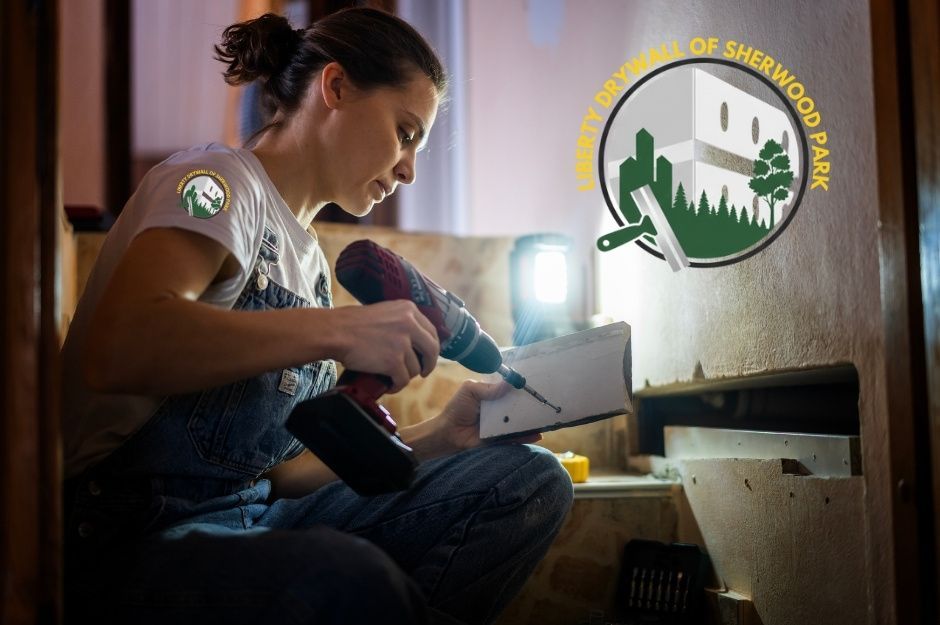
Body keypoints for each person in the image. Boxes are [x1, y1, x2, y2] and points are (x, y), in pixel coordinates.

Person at [61, 8, 573, 625]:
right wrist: (340, 330)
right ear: (334, 87)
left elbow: (279, 474)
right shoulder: (214, 181)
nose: (409, 169)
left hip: (253, 515)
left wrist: (443, 435)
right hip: (133, 535)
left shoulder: (307, 263)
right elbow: (122, 345)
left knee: (529, 481)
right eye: (404, 132)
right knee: (343, 577)